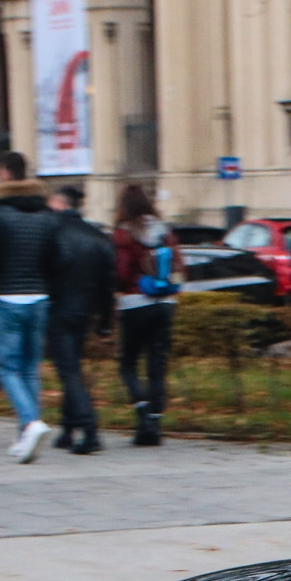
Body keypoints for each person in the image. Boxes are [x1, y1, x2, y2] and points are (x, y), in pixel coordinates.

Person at [0, 151, 59, 462]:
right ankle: (26, 434)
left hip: (7, 296)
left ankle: (31, 423)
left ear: (5, 173)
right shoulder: (46, 214)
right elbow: (55, 256)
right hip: (39, 297)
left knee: (8, 369)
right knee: (30, 367)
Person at [45, 183, 113, 455]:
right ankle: (67, 429)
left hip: (58, 309)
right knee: (71, 367)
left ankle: (89, 429)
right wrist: (106, 322)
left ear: (59, 203)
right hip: (85, 312)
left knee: (69, 371)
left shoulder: (51, 234)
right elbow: (108, 285)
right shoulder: (97, 237)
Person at [111, 183, 179, 447]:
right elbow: (179, 264)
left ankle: (143, 415)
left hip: (135, 303)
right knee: (157, 365)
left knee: (127, 363)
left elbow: (120, 273)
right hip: (166, 303)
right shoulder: (165, 231)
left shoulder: (123, 234)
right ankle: (154, 422)